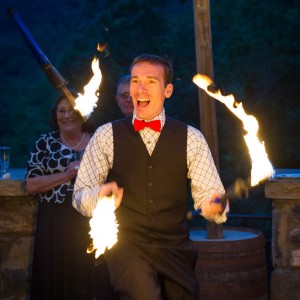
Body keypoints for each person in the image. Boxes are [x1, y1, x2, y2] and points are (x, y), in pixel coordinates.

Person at [73, 54, 229, 300]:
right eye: (135, 81)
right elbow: (80, 197)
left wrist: (215, 206)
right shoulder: (105, 135)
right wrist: (99, 197)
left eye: (151, 81)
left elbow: (211, 197)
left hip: (176, 251)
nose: (140, 88)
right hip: (126, 247)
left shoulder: (191, 138)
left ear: (168, 90)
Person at [25, 93, 95, 300]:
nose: (66, 115)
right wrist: (67, 174)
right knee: (53, 272)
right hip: (54, 217)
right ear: (55, 115)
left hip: (89, 218)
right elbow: (31, 185)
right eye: (61, 111)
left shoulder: (98, 141)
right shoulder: (44, 143)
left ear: (83, 113)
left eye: (72, 110)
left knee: (87, 273)